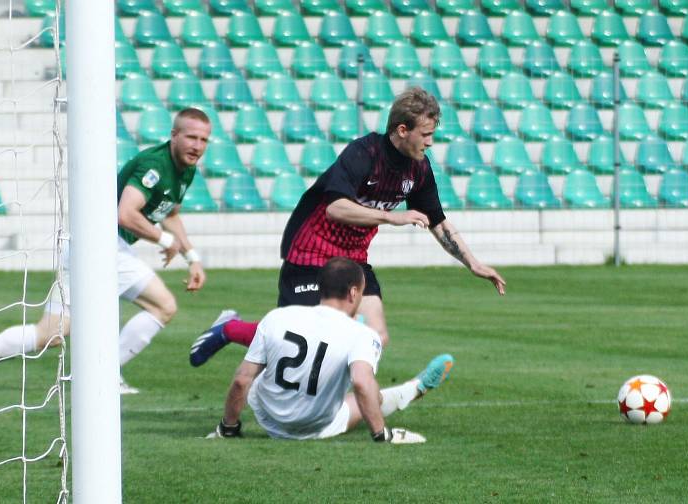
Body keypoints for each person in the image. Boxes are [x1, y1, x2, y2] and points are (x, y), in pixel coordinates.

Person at [190, 87, 505, 367]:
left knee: (376, 335)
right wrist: (391, 217)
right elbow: (335, 208)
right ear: (403, 129)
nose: (431, 142)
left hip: (353, 259)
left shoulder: (418, 168)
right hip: (310, 253)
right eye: (425, 134)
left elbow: (436, 219)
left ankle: (342, 402)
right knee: (292, 338)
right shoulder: (365, 153)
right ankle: (229, 328)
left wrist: (473, 263)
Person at [0, 107, 212, 395]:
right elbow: (125, 214)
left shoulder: (186, 169)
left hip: (97, 246)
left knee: (51, 333)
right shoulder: (155, 166)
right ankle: (105, 376)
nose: (197, 146)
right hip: (101, 245)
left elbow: (169, 213)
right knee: (163, 306)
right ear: (174, 135)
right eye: (191, 137)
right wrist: (165, 241)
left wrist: (191, 257)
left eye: (204, 140)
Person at [208, 257, 453, 443]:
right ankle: (409, 391)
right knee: (369, 395)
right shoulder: (363, 335)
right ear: (354, 292)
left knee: (268, 367)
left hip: (267, 415)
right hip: (315, 426)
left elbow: (242, 381)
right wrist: (382, 435)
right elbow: (361, 384)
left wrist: (227, 428)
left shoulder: (277, 317)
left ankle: (409, 391)